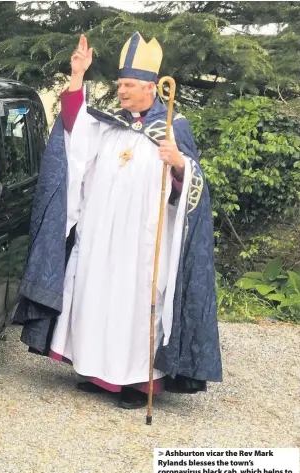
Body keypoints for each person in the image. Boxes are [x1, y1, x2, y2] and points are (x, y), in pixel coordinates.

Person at [13, 33, 222, 409]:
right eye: (119, 85)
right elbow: (74, 132)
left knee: (134, 308)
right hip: (101, 236)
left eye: (128, 86)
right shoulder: (109, 125)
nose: (121, 92)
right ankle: (97, 373)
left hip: (142, 243)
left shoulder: (174, 129)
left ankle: (136, 385)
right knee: (96, 300)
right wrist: (77, 76)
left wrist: (179, 164)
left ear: (150, 87)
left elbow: (192, 190)